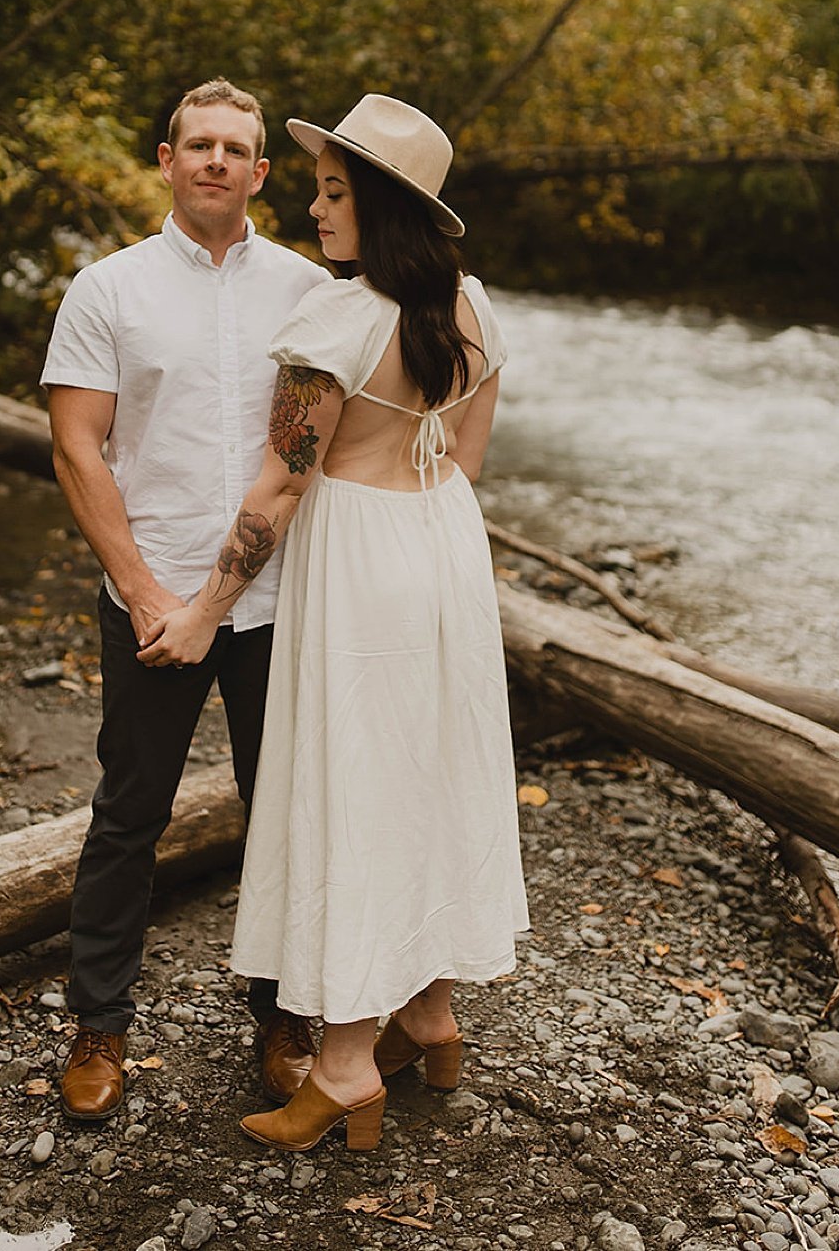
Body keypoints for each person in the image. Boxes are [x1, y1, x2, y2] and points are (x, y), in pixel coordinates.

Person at [140, 93, 529, 1153]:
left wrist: (201, 616)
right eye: (317, 186)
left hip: (359, 563)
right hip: (445, 547)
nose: (315, 207)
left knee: (358, 783)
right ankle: (432, 1019)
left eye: (334, 190)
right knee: (429, 773)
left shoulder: (331, 324)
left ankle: (348, 1064)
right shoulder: (477, 310)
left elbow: (277, 491)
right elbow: (467, 461)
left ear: (386, 207)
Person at [41, 77, 331, 1122]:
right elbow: (78, 445)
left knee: (285, 813)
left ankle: (285, 1016)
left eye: (234, 148)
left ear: (261, 172)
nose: (214, 160)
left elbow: (302, 452)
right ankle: (99, 1025)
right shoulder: (106, 289)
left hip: (279, 599)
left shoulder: (308, 290)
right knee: (129, 815)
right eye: (195, 143)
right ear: (165, 160)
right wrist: (142, 587)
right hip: (150, 599)